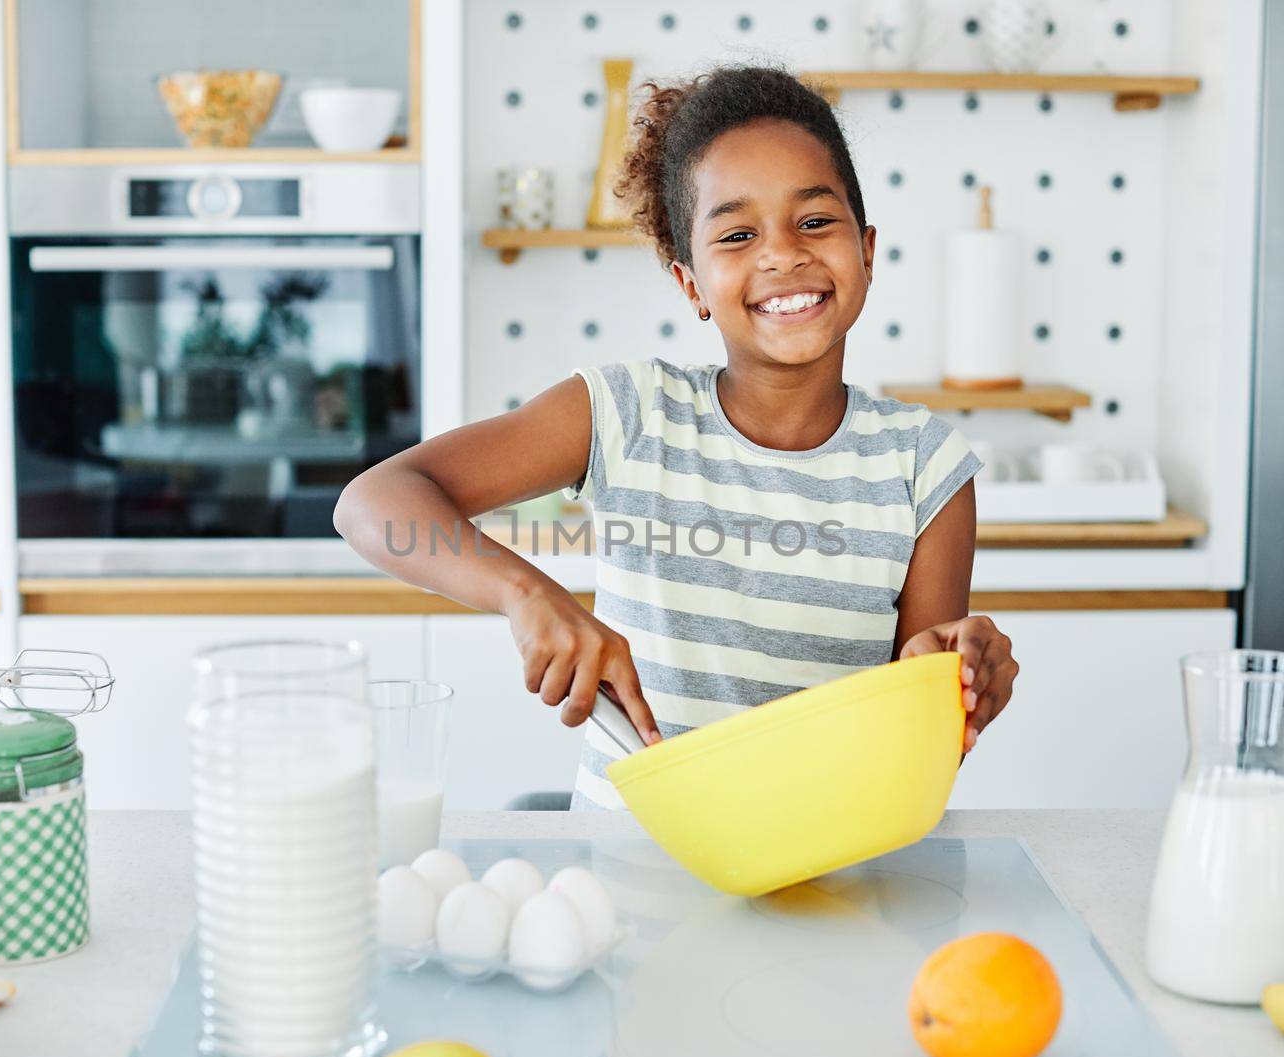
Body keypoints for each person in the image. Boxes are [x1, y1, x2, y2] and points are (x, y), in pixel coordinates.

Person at [336, 64, 1018, 811]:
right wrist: (527, 593)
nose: (782, 254)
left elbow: (916, 762)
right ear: (690, 282)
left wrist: (952, 686)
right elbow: (374, 503)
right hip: (625, 882)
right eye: (737, 233)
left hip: (829, 890)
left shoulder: (925, 466)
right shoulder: (629, 414)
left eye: (816, 221)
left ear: (867, 248)